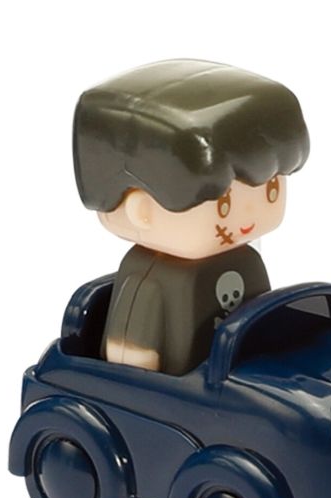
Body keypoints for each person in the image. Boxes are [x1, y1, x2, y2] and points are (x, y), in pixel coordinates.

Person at [72, 59, 310, 375]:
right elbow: (129, 356)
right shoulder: (151, 281)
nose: (248, 217)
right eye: (224, 205)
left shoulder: (247, 260)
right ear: (142, 211)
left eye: (271, 189)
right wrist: (139, 387)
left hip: (241, 374)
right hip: (178, 392)